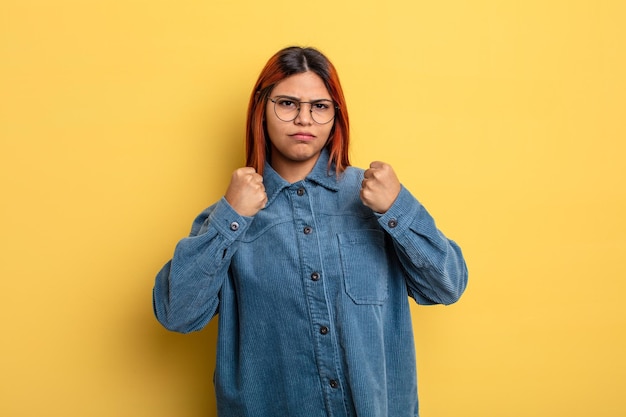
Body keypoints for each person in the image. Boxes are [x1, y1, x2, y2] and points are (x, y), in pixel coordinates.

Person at [153, 46, 468, 417]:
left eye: (319, 106)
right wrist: (231, 217)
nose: (304, 119)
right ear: (262, 110)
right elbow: (177, 314)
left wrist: (397, 207)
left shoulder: (378, 199)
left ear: (336, 116)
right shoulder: (230, 216)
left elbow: (447, 286)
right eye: (287, 104)